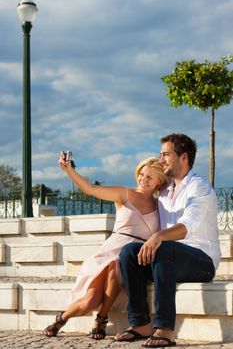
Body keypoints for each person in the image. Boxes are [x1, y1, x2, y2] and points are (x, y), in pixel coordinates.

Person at [43, 152, 169, 340]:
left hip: (134, 257)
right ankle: (62, 318)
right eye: (141, 175)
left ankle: (101, 318)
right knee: (89, 301)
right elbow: (90, 189)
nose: (143, 180)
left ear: (160, 181)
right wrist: (69, 170)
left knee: (117, 265)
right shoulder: (124, 193)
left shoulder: (162, 206)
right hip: (111, 249)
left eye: (149, 177)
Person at [114, 133, 221, 348]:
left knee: (164, 249)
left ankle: (165, 329)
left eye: (166, 155)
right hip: (168, 259)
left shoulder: (198, 187)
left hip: (201, 261)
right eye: (160, 154)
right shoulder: (164, 190)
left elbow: (186, 227)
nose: (160, 159)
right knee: (129, 253)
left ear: (184, 157)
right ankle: (140, 323)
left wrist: (158, 237)